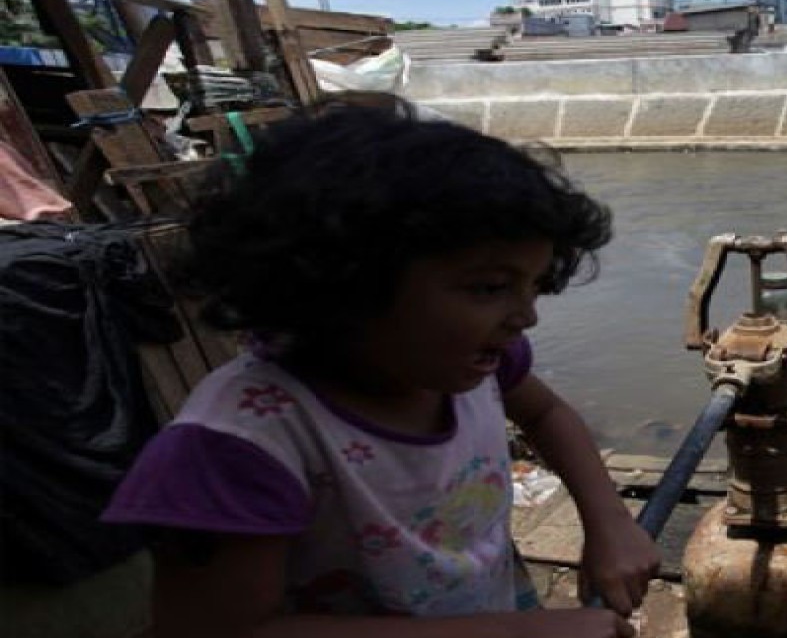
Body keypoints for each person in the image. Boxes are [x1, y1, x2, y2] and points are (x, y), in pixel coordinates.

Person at [103, 97, 660, 638]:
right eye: (490, 287)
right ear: (342, 281)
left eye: (535, 285)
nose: (526, 318)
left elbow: (547, 413)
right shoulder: (241, 447)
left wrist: (607, 519)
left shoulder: (477, 365)